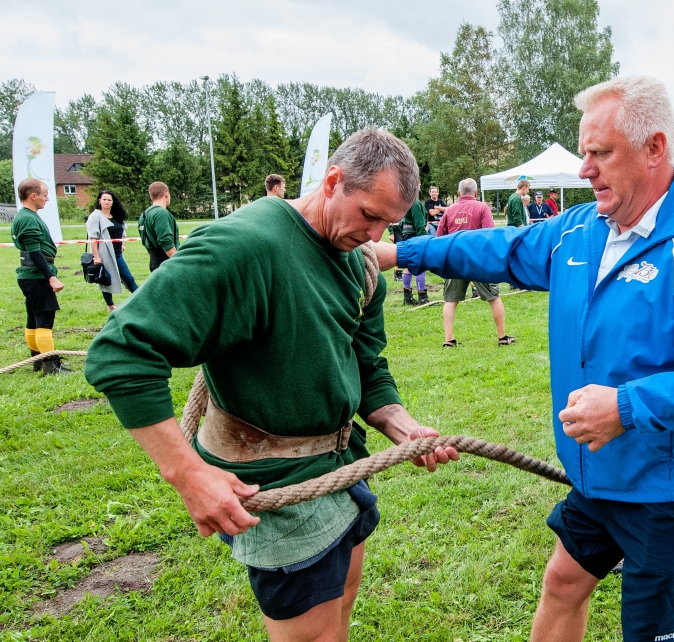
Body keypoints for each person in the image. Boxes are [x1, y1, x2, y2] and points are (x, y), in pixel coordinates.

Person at [375, 75, 674, 642]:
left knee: (657, 631)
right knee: (563, 585)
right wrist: (397, 251)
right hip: (598, 476)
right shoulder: (580, 231)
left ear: (655, 148)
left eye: (600, 153)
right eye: (584, 151)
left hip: (670, 490)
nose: (585, 168)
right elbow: (500, 248)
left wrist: (626, 406)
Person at [85, 128, 459, 642]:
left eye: (387, 224)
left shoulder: (358, 261)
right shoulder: (245, 246)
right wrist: (188, 475)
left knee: (344, 603)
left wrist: (402, 425)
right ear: (333, 181)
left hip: (342, 468)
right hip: (277, 487)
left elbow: (366, 365)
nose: (375, 236)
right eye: (370, 215)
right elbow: (120, 352)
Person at [433, 178, 515, 347]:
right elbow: (490, 235)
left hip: (455, 260)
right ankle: (502, 337)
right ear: (476, 193)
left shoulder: (449, 210)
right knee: (493, 297)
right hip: (478, 260)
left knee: (450, 300)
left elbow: (439, 238)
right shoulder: (482, 207)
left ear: (458, 194)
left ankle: (449, 339)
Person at [12, 178, 70, 375]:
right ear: (33, 196)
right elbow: (35, 252)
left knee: (33, 319)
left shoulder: (26, 215)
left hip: (29, 276)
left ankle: (36, 359)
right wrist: (50, 277)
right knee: (44, 319)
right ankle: (50, 366)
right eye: (44, 195)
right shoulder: (27, 218)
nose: (47, 199)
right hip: (36, 276)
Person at [87, 190, 139, 312]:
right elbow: (93, 237)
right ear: (99, 201)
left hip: (118, 254)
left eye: (109, 200)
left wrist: (123, 244)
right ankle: (111, 306)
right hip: (104, 254)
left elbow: (123, 233)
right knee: (105, 280)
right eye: (104, 199)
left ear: (113, 202)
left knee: (128, 278)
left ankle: (141, 300)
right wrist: (96, 256)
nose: (106, 202)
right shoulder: (95, 216)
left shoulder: (117, 216)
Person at [138, 182, 179, 272]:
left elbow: (145, 242)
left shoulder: (144, 215)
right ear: (166, 194)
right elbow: (166, 241)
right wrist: (179, 262)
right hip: (167, 262)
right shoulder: (161, 213)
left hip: (154, 262)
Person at [399, 194, 429, 305]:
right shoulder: (415, 202)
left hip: (406, 236)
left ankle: (407, 298)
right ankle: (423, 297)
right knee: (420, 266)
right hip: (415, 237)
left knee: (408, 267)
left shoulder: (404, 200)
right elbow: (419, 224)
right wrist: (424, 238)